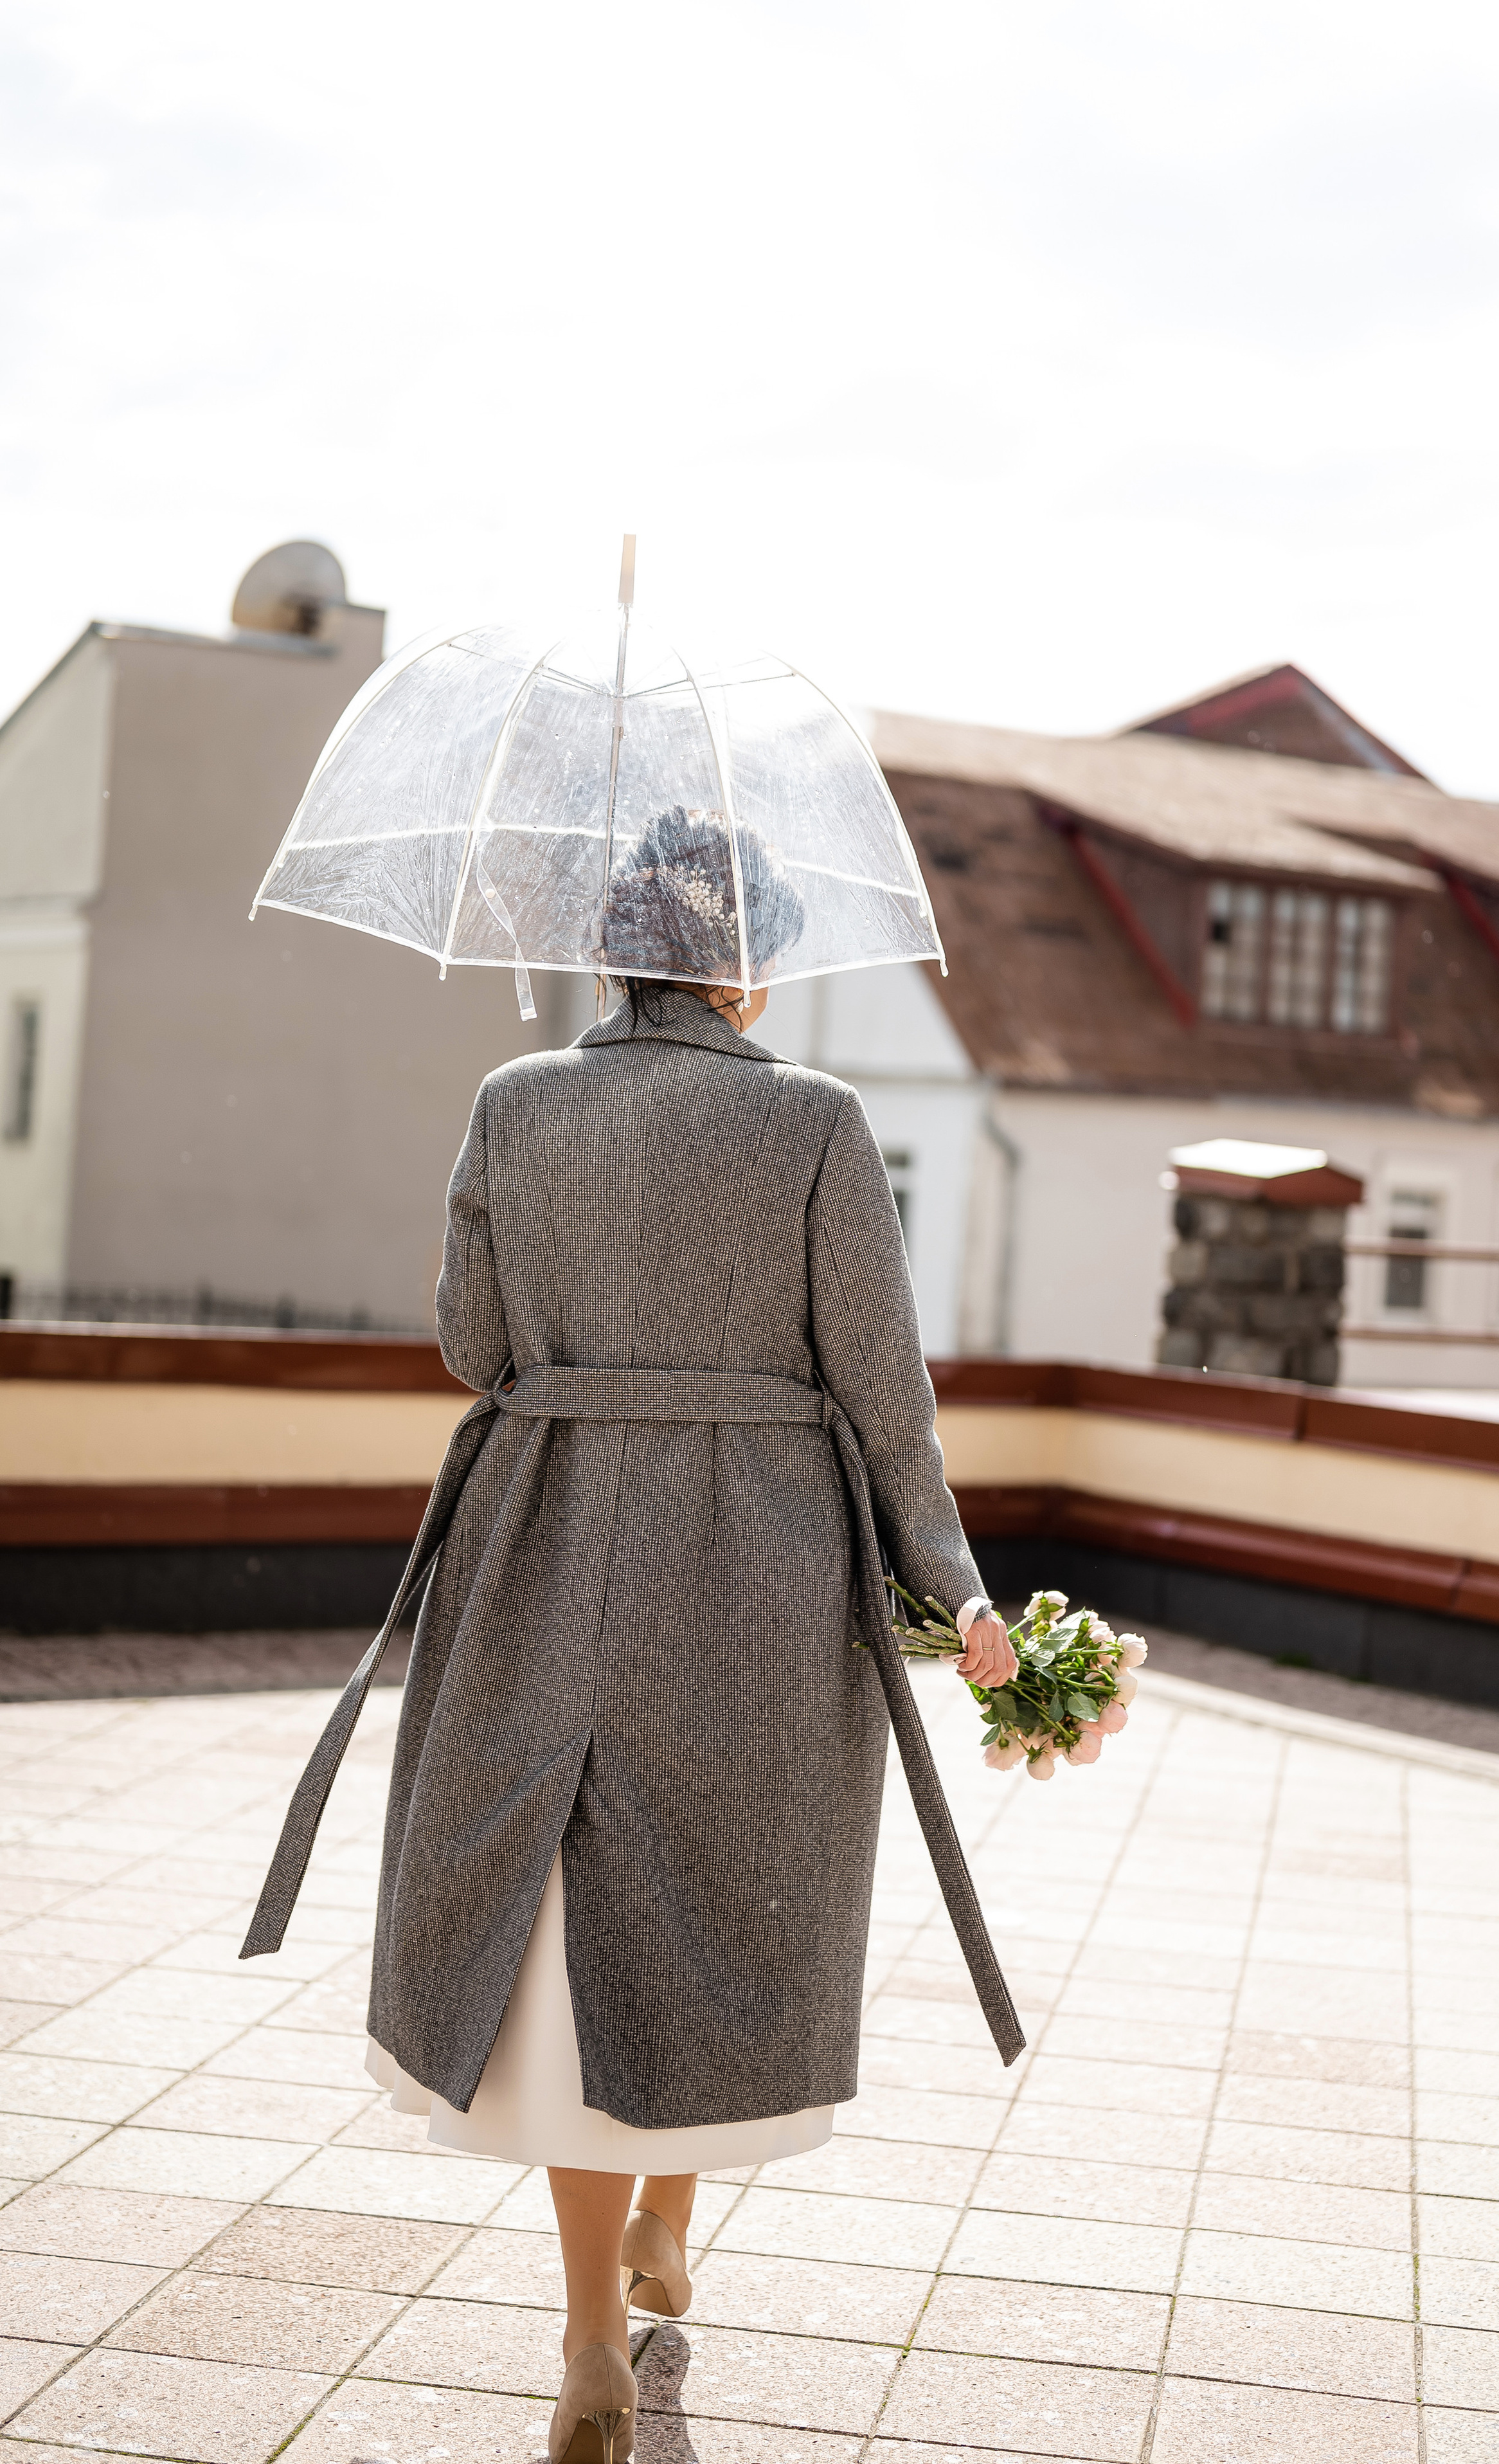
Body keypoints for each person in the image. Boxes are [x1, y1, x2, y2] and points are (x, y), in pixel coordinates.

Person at [247, 813, 1020, 2464]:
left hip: (547, 1535)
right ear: (742, 965)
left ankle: (598, 2330)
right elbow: (883, 1388)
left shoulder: (510, 1103)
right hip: (755, 1565)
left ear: (611, 950)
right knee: (724, 1897)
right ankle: (676, 2213)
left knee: (563, 1929)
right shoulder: (813, 1121)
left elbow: (472, 1345)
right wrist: (953, 1585)